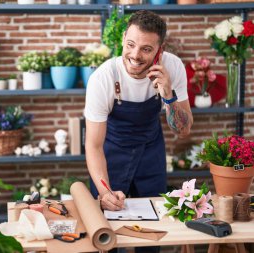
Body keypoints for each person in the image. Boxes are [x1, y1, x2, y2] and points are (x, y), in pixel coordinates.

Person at [84, 10, 193, 253]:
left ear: (159, 50)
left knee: (151, 235)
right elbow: (93, 145)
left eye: (146, 49)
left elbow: (183, 130)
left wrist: (168, 95)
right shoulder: (104, 77)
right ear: (123, 38)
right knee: (107, 237)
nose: (135, 55)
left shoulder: (173, 67)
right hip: (111, 153)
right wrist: (104, 191)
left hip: (150, 151)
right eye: (131, 44)